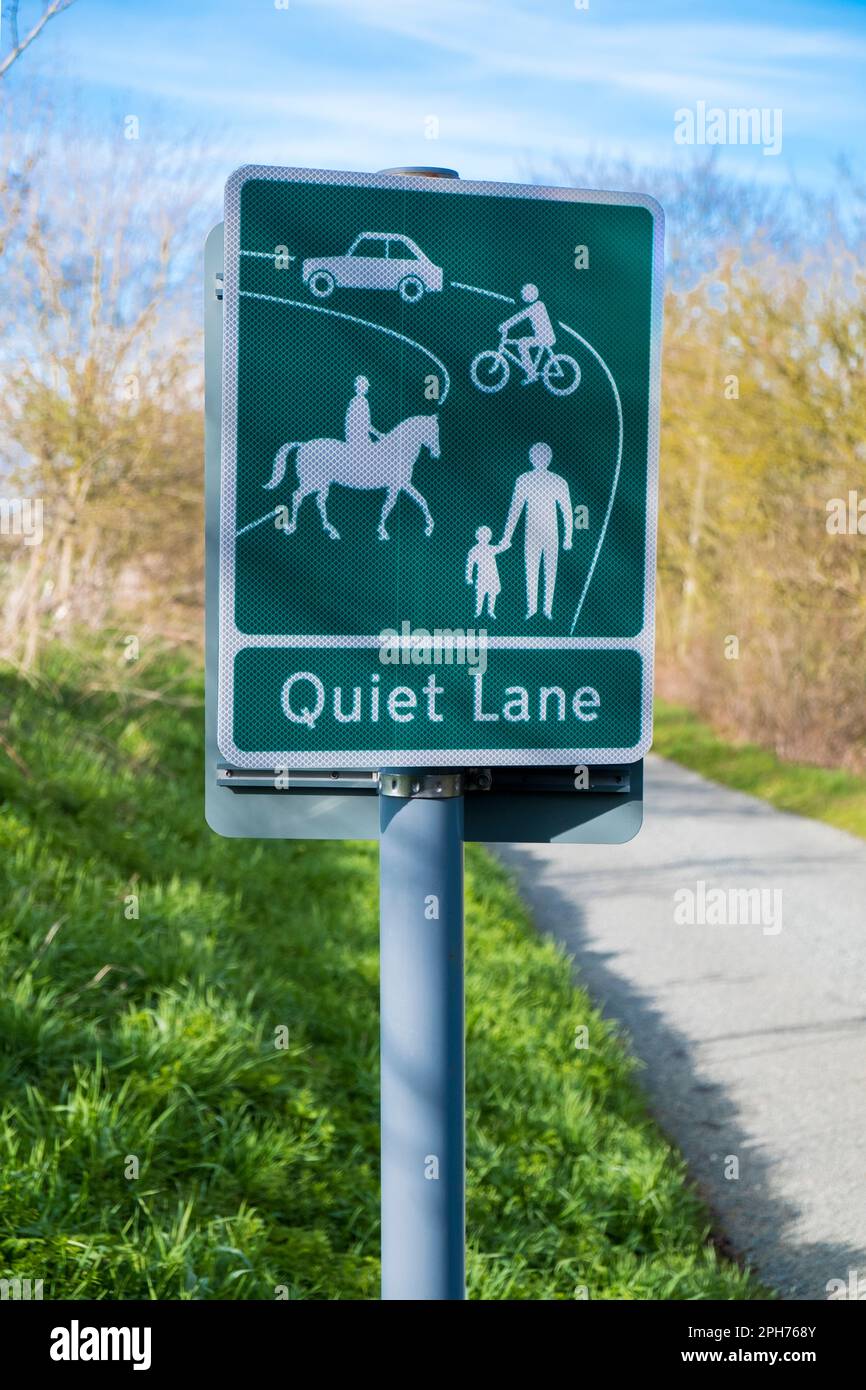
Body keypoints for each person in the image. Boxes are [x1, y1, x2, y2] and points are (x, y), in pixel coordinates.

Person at [498, 443, 573, 619]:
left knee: (550, 570)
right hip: (530, 534)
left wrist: (568, 537)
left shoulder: (559, 481)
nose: (539, 460)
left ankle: (547, 609)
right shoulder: (523, 480)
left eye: (543, 457)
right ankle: (531, 608)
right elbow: (515, 510)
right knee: (531, 570)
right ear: (531, 458)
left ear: (549, 458)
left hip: (551, 533)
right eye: (536, 456)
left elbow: (567, 511)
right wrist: (507, 536)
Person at [497, 284, 556, 384]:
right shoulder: (536, 305)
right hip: (541, 337)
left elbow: (520, 317)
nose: (522, 295)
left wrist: (505, 325)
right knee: (523, 342)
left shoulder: (537, 305)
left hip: (546, 337)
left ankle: (531, 374)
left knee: (522, 344)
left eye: (524, 293)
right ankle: (531, 372)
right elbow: (521, 316)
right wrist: (506, 325)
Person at [466, 525, 505, 618]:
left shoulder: (491, 548)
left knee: (492, 594)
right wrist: (468, 577)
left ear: (490, 537)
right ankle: (478, 612)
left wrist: (505, 543)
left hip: (492, 576)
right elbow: (469, 564)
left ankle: (490, 611)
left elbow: (500, 548)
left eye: (487, 535)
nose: (485, 537)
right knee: (480, 594)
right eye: (482, 535)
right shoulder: (474, 550)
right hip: (481, 577)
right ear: (477, 536)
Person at [344, 376, 383, 449]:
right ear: (362, 387)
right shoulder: (363, 401)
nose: (367, 388)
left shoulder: (352, 401)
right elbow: (366, 425)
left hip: (351, 438)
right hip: (359, 439)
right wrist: (379, 435)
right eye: (366, 386)